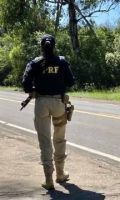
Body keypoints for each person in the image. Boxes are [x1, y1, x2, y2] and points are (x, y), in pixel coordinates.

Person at [22, 34, 75, 190]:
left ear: (41, 46)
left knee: (45, 142)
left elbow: (25, 84)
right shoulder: (62, 62)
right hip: (59, 103)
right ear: (54, 46)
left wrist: (34, 90)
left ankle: (48, 180)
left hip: (41, 104)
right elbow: (71, 81)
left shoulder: (34, 63)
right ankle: (60, 174)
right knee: (59, 139)